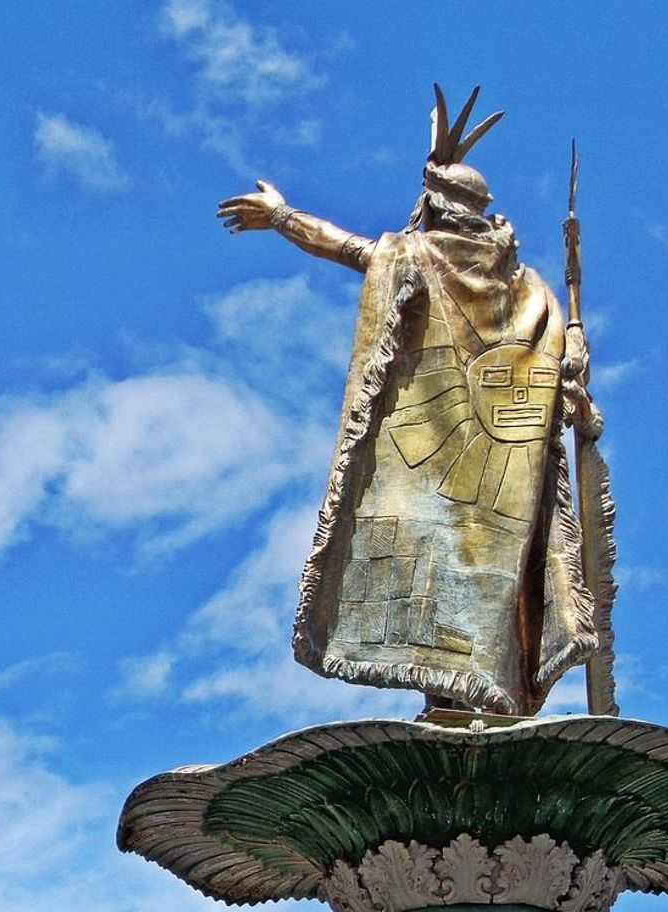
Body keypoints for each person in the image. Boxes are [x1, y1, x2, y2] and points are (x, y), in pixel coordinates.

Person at [219, 88, 604, 716]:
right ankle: (472, 700)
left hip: (434, 463)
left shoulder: (419, 256)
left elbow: (345, 246)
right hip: (503, 482)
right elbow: (560, 386)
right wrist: (576, 380)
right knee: (484, 586)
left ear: (434, 206)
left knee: (434, 584)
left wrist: (282, 216)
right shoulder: (535, 291)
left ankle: (455, 703)